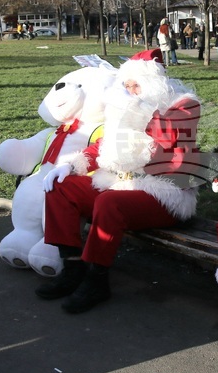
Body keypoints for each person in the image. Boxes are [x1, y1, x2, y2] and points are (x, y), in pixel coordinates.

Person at [36, 49, 201, 313]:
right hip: (118, 183)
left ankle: (97, 281)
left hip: (163, 192)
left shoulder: (184, 105)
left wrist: (133, 108)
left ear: (153, 83)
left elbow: (169, 139)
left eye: (136, 85)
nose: (131, 91)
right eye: (126, 85)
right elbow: (105, 145)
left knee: (109, 203)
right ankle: (73, 267)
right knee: (61, 188)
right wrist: (71, 165)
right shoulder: (125, 107)